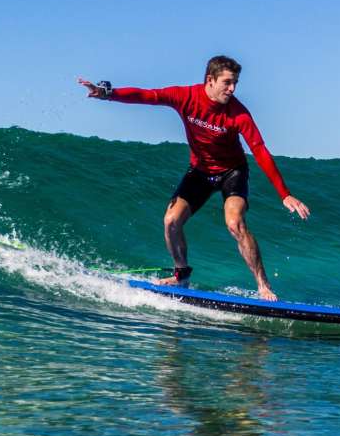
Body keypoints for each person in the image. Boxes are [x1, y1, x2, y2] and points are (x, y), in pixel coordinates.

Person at [78, 55, 309, 301]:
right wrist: (108, 93)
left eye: (235, 83)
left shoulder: (238, 114)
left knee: (235, 223)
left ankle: (263, 285)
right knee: (171, 221)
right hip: (200, 171)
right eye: (227, 82)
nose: (232, 89)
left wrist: (284, 194)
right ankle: (181, 274)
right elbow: (149, 96)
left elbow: (260, 150)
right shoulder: (185, 96)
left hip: (233, 172)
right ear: (210, 79)